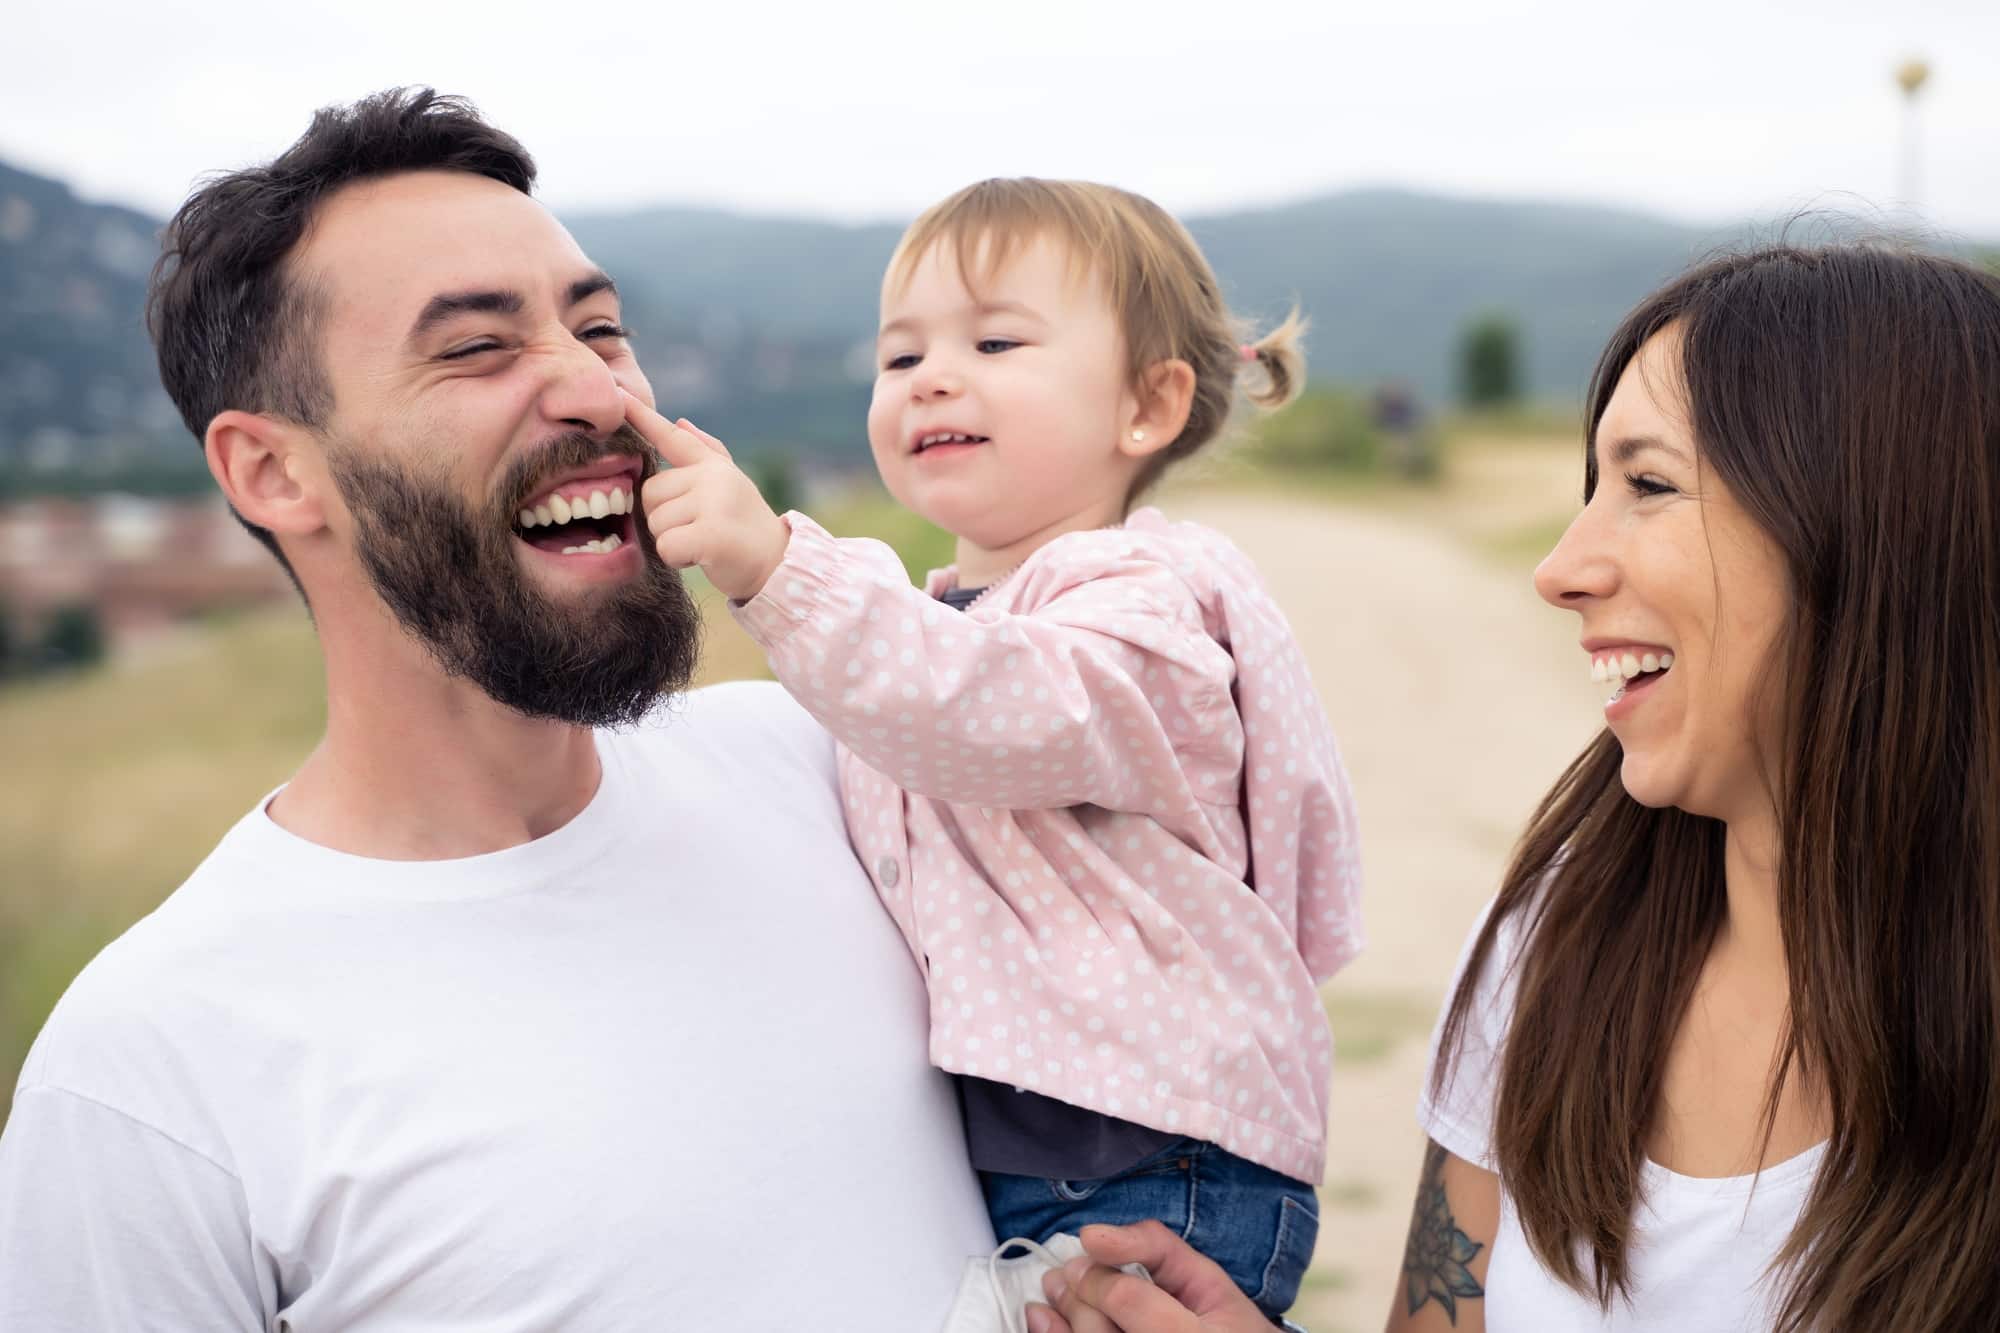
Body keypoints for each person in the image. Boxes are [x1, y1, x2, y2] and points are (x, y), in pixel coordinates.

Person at [0, 88, 997, 1330]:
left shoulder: (828, 771)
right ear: (271, 471)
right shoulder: (155, 1066)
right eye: (476, 346)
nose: (593, 392)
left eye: (601, 328)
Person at [630, 177, 1364, 1325]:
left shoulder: (1143, 604)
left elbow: (996, 708)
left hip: (1148, 1165)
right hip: (1037, 1155)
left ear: (1146, 405)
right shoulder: (946, 620)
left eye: (995, 339)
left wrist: (774, 565)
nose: (930, 375)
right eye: (897, 355)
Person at [1386, 243, 2000, 1331]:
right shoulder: (1551, 938)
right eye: (1593, 486)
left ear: (1876, 536)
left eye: (1648, 485)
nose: (1559, 568)